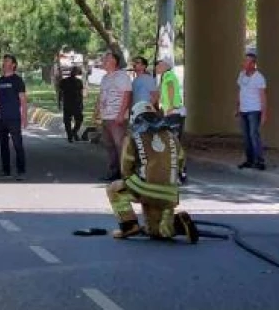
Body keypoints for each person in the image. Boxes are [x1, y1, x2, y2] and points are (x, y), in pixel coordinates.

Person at [105, 101, 198, 243]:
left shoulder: (133, 136)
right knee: (156, 232)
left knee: (114, 189)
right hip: (170, 193)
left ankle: (128, 225)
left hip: (145, 189)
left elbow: (126, 169)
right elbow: (181, 163)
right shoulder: (171, 136)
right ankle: (177, 223)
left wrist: (139, 185)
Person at [0, 54, 29, 181]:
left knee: (17, 145)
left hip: (14, 118)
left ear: (13, 65)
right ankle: (6, 170)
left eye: (7, 61)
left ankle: (21, 171)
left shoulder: (18, 81)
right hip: (2, 119)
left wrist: (24, 117)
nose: (4, 63)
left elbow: (23, 100)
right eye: (4, 61)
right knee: (3, 145)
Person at [94, 50, 132, 181]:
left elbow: (127, 95)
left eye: (106, 59)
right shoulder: (105, 78)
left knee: (120, 145)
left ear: (114, 62)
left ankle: (124, 174)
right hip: (106, 116)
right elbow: (101, 96)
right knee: (109, 146)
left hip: (117, 117)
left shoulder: (122, 77)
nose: (104, 62)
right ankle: (113, 172)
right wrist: (97, 111)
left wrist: (121, 114)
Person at [236, 50, 268, 171]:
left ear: (253, 64)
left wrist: (264, 113)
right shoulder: (241, 75)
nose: (244, 63)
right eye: (244, 61)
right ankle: (249, 160)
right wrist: (237, 107)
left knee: (254, 135)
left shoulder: (259, 78)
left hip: (254, 110)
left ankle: (259, 160)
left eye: (246, 61)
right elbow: (239, 92)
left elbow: (263, 96)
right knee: (246, 136)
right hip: (243, 110)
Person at [59, 67, 85, 142]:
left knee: (73, 120)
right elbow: (61, 92)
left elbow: (80, 94)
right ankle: (72, 134)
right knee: (72, 120)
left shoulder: (77, 81)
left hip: (72, 103)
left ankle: (72, 134)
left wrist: (60, 102)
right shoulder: (65, 81)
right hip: (72, 103)